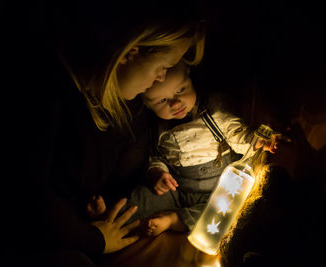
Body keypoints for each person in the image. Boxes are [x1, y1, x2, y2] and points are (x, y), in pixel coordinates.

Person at [0, 2, 207, 266]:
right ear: (129, 51)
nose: (162, 79)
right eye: (162, 68)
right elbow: (25, 199)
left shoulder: (127, 109)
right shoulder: (42, 93)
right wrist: (93, 239)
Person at [91, 61, 278, 238]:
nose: (175, 103)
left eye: (181, 90)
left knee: (225, 211)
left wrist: (256, 140)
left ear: (190, 78)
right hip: (176, 187)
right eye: (162, 100)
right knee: (143, 198)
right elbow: (157, 157)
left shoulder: (213, 112)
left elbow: (237, 133)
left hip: (217, 189)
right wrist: (157, 173)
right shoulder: (158, 128)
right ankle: (109, 220)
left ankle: (173, 220)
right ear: (147, 104)